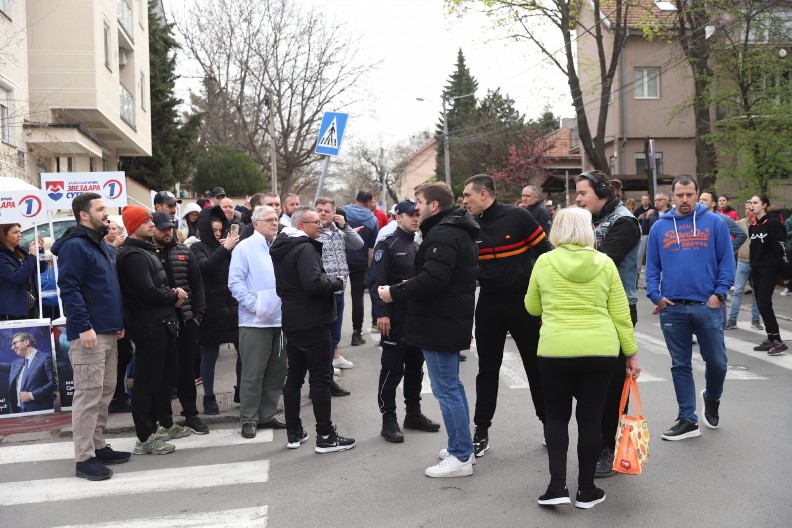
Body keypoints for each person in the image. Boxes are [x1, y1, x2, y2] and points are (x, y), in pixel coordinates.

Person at [524, 207, 639, 509]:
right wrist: (631, 353)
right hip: (600, 349)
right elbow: (621, 314)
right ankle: (587, 490)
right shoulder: (604, 263)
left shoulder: (545, 262)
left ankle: (556, 487)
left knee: (557, 417)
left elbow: (532, 307)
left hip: (555, 349)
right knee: (591, 419)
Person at [378, 182, 479, 478]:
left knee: (446, 389)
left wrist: (394, 292)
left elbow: (433, 279)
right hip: (445, 320)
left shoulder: (443, 233)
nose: (416, 207)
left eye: (419, 202)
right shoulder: (451, 229)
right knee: (452, 387)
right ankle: (462, 446)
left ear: (434, 205)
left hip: (439, 321)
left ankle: (460, 456)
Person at [461, 175, 552, 457]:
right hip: (488, 304)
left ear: (484, 194)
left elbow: (547, 255)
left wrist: (549, 297)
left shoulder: (519, 217)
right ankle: (481, 431)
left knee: (535, 368)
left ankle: (548, 425)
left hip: (523, 304)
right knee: (487, 370)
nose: (464, 201)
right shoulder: (468, 224)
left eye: (467, 196)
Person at [645, 174, 735, 441]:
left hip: (707, 305)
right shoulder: (660, 228)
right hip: (672, 308)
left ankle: (712, 396)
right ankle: (687, 418)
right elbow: (652, 267)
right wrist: (655, 295)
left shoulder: (715, 223)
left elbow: (726, 263)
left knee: (717, 362)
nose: (685, 200)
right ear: (672, 196)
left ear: (697, 194)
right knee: (680, 364)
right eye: (680, 195)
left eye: (690, 194)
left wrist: (719, 295)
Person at [52, 192, 129, 481]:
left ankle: (97, 446)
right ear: (84, 215)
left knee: (104, 391)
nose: (106, 213)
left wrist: (117, 322)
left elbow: (107, 289)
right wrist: (83, 326)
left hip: (107, 331)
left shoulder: (100, 245)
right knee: (87, 395)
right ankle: (84, 458)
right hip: (89, 334)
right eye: (100, 209)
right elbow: (69, 288)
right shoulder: (75, 246)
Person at [270, 206, 356, 453]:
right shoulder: (305, 247)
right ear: (300, 226)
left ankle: (294, 433)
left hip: (293, 320)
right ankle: (326, 436)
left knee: (294, 376)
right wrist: (335, 282)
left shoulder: (282, 246)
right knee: (319, 378)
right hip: (312, 321)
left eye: (320, 221)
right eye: (315, 222)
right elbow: (312, 283)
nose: (320, 225)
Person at [573, 170, 641, 478]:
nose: (577, 198)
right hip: (593, 309)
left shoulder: (624, 222)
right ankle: (598, 439)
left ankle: (609, 448)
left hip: (619, 309)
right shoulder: (592, 220)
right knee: (591, 380)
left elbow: (605, 262)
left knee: (612, 385)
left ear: (601, 192)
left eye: (583, 193)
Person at [117, 206, 192, 455]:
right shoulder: (133, 255)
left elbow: (156, 285)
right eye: (145, 221)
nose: (151, 224)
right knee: (147, 382)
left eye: (151, 220)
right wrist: (173, 296)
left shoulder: (145, 250)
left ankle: (164, 425)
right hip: (149, 325)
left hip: (162, 321)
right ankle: (144, 437)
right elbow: (146, 292)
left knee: (166, 377)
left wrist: (172, 294)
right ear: (133, 226)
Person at [368, 199, 440, 443]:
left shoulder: (419, 245)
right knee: (392, 368)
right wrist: (381, 313)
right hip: (394, 317)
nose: (415, 218)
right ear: (398, 217)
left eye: (418, 213)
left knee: (415, 369)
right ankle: (389, 418)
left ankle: (413, 413)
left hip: (416, 318)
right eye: (410, 214)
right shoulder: (387, 244)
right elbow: (376, 282)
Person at [228, 205, 288, 439]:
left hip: (281, 320)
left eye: (276, 219)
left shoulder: (280, 245)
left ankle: (267, 414)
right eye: (270, 220)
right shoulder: (245, 248)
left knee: (277, 369)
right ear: (256, 224)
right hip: (255, 322)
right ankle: (249, 418)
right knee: (253, 372)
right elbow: (235, 283)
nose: (275, 223)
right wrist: (255, 306)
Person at [150, 212, 210, 435]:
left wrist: (197, 316)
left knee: (187, 371)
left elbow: (198, 285)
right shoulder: (147, 253)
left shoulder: (185, 251)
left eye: (170, 228)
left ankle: (191, 414)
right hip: (160, 323)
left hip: (186, 321)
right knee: (163, 372)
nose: (167, 232)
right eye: (162, 228)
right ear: (152, 228)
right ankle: (164, 419)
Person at [191, 205, 240, 414]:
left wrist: (230, 249)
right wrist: (225, 248)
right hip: (211, 310)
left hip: (233, 307)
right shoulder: (196, 248)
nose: (218, 234)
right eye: (214, 230)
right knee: (209, 354)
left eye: (221, 230)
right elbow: (206, 267)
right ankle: (209, 397)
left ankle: (242, 391)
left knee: (244, 352)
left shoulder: (228, 247)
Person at [315, 197, 364, 396]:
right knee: (322, 339)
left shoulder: (338, 231)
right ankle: (321, 383)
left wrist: (345, 226)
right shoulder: (314, 233)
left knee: (334, 337)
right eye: (319, 210)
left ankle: (327, 380)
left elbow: (358, 244)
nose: (323, 213)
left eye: (327, 210)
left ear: (334, 212)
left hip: (340, 291)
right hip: (323, 292)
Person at [748, 195, 789, 355]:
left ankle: (777, 340)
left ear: (764, 205)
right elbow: (754, 251)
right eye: (751, 203)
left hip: (769, 269)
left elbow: (782, 249)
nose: (752, 205)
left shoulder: (773, 224)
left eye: (755, 203)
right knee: (761, 304)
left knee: (764, 303)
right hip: (756, 270)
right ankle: (771, 338)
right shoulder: (754, 226)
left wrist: (786, 273)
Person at [345, 190, 379, 346]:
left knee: (334, 298)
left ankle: (332, 336)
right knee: (357, 299)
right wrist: (370, 268)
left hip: (341, 261)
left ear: (356, 199)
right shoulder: (372, 219)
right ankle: (356, 333)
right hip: (360, 263)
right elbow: (371, 249)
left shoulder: (343, 212)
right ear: (369, 202)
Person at [725, 200, 763, 330]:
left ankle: (756, 320)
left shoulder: (761, 224)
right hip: (742, 261)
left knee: (756, 292)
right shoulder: (740, 223)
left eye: (750, 208)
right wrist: (731, 249)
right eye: (746, 208)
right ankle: (732, 320)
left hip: (758, 263)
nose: (748, 211)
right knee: (738, 291)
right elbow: (726, 231)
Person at [0, 223, 40, 320]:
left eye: (19, 231)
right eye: (15, 232)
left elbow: (39, 269)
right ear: (4, 235)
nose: (19, 235)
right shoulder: (2, 257)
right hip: (13, 311)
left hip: (31, 305)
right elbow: (18, 277)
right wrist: (32, 256)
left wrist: (39, 252)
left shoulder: (21, 251)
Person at [7, 332, 54, 413]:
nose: (12, 347)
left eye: (15, 343)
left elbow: (53, 383)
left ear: (26, 342)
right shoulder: (16, 363)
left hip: (40, 411)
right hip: (19, 411)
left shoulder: (45, 358)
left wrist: (31, 395)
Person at [633, 194, 653, 285]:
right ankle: (636, 280)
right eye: (643, 200)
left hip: (652, 234)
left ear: (649, 200)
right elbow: (632, 222)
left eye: (646, 199)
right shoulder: (638, 210)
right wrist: (639, 218)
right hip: (642, 234)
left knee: (650, 257)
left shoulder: (653, 209)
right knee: (639, 256)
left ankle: (648, 281)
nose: (645, 201)